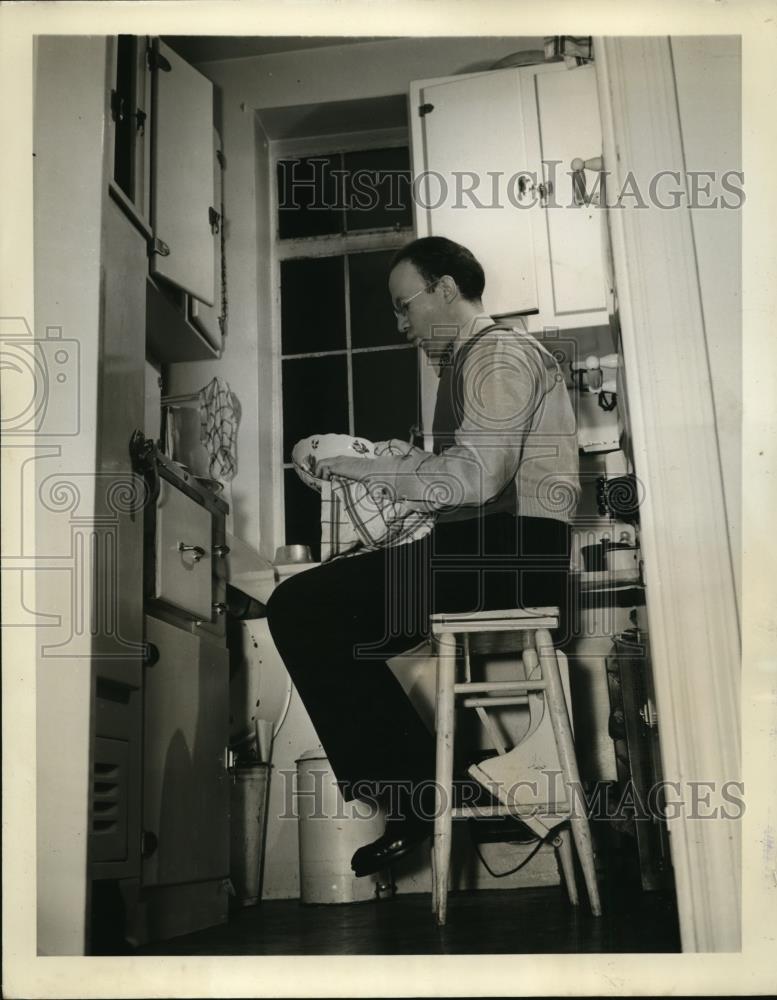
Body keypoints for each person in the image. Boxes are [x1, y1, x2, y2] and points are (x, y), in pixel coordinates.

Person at [266, 236, 580, 877]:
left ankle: (423, 799)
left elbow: (477, 479)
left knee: (302, 606)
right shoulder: (472, 364)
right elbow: (462, 477)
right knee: (317, 609)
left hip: (508, 555)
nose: (401, 324)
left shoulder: (496, 355)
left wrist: (362, 465)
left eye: (405, 305)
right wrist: (392, 466)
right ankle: (433, 794)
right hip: (494, 551)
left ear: (445, 288)